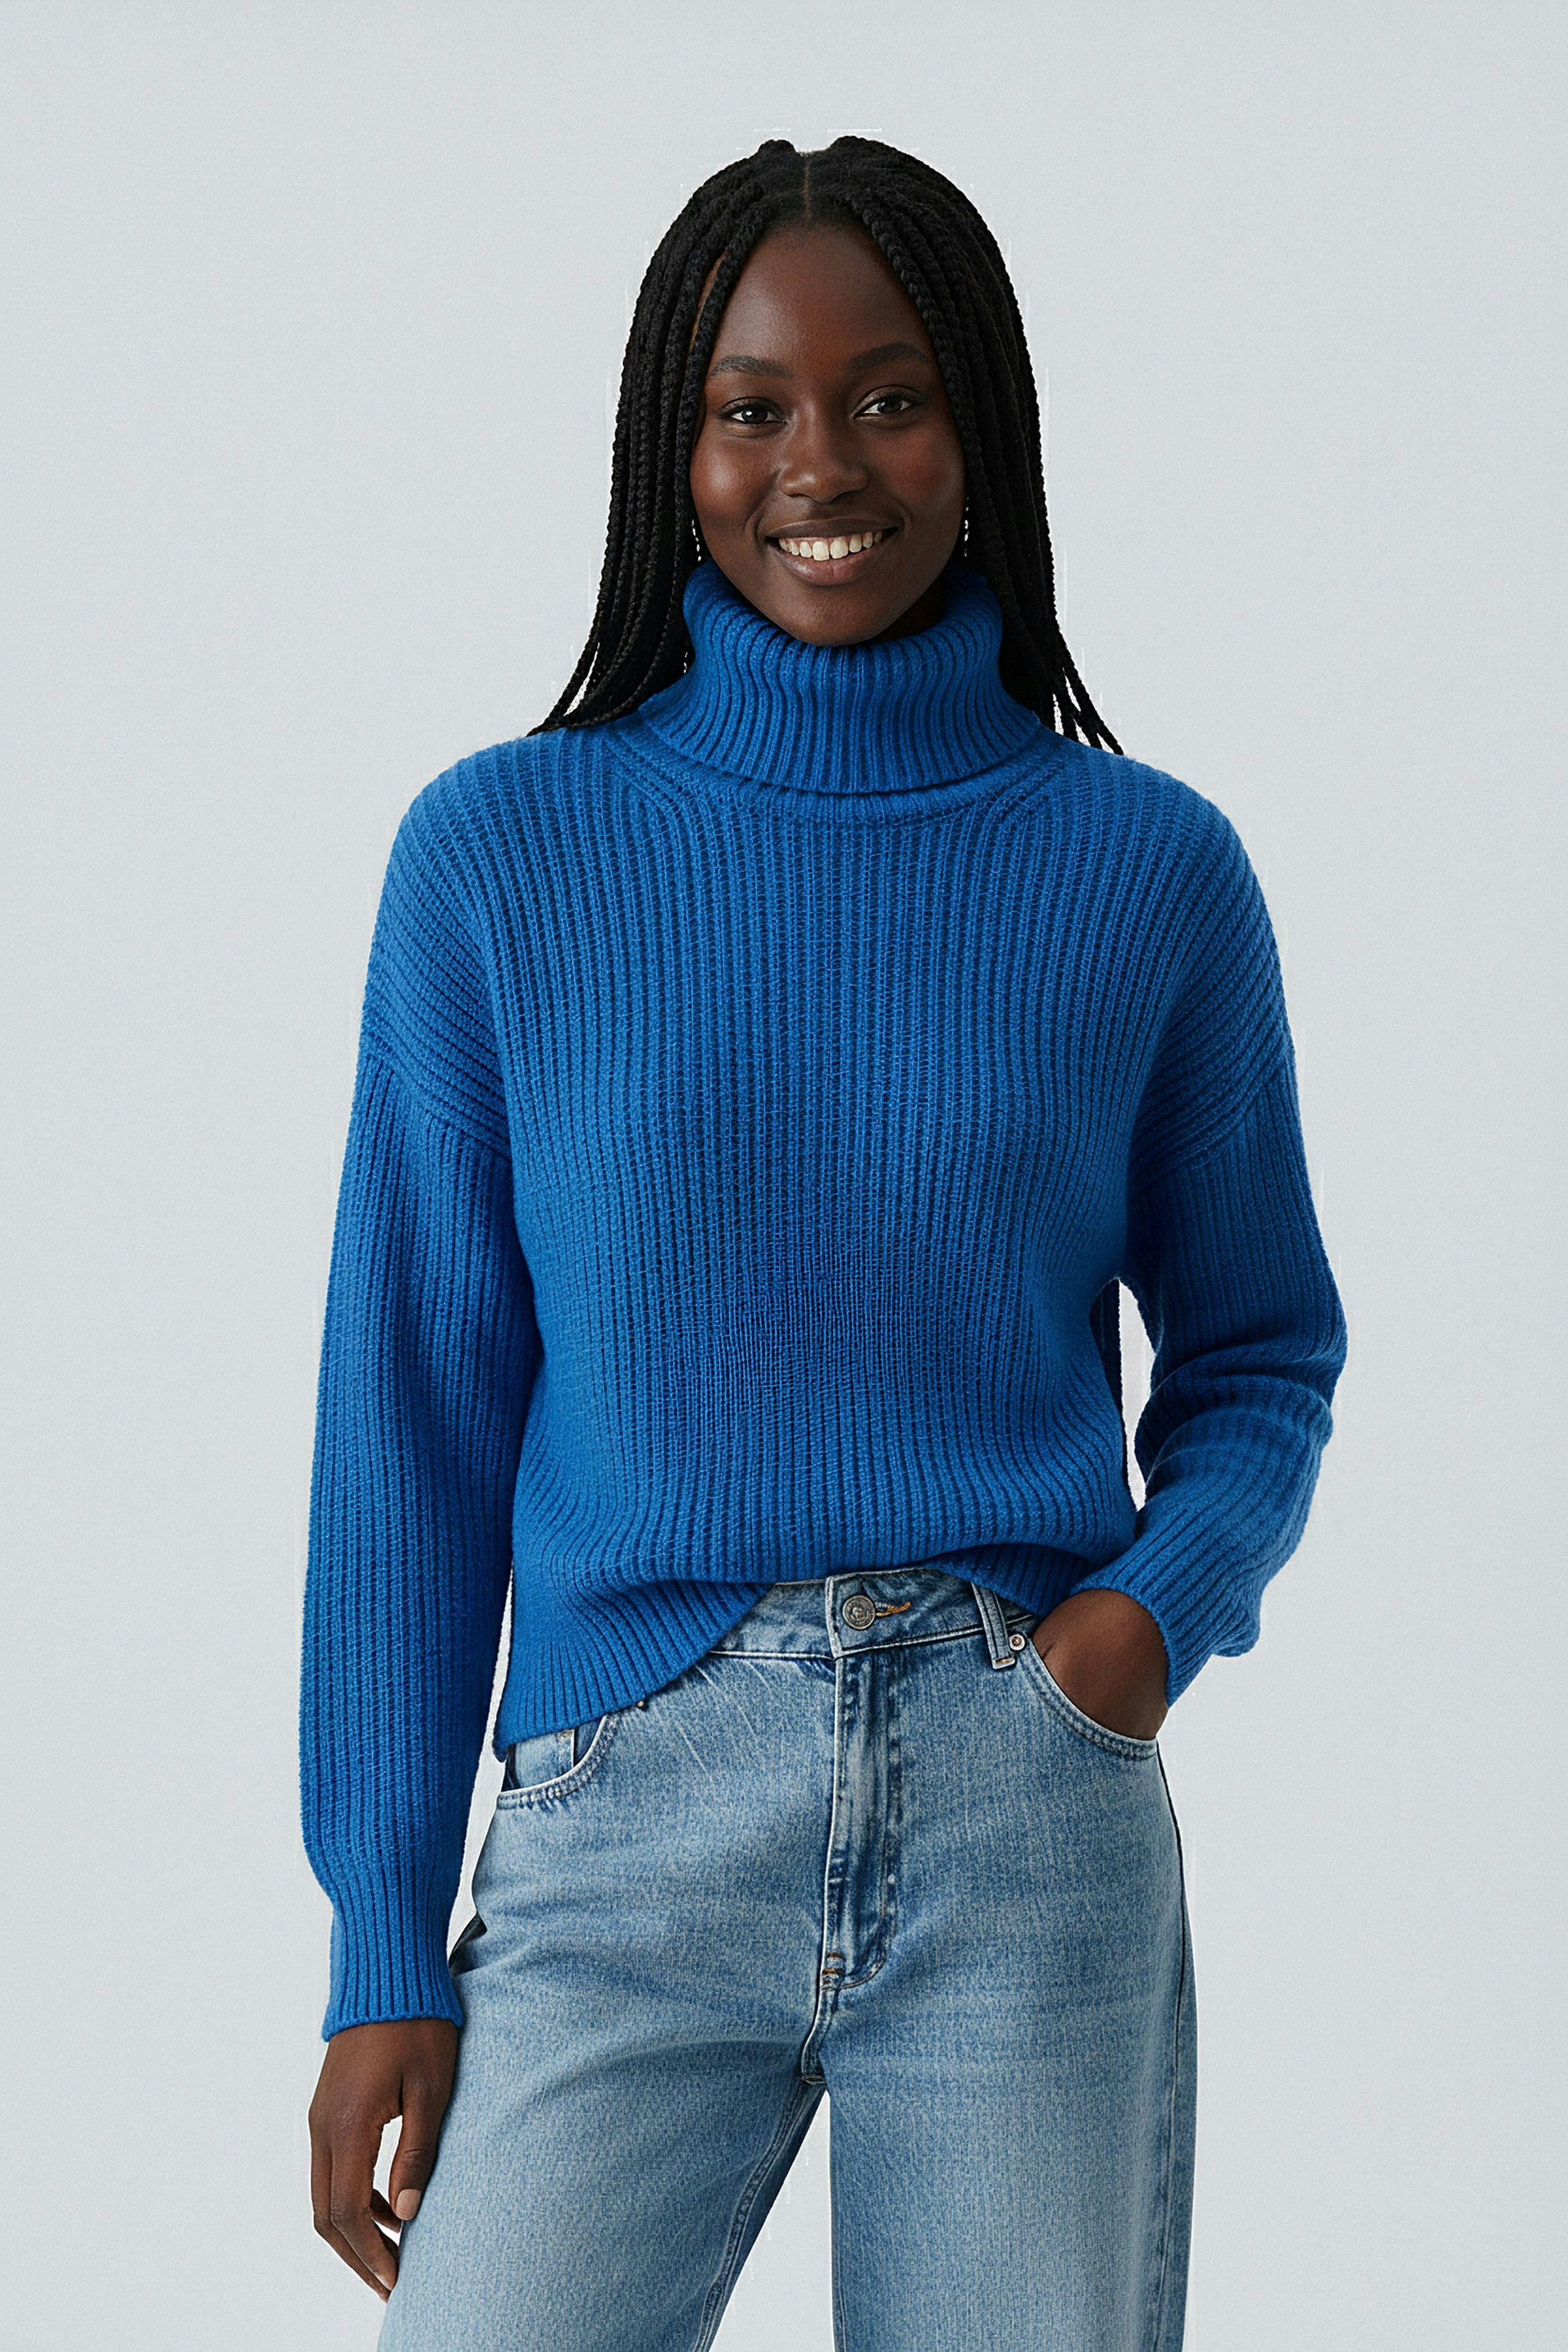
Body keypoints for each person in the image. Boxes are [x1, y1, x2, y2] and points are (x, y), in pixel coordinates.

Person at [301, 136, 1347, 2350]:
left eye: (890, 396)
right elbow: (412, 1415)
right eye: (751, 407)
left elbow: (1261, 1352)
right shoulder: (503, 857)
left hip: (1020, 1801)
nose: (822, 467)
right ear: (670, 448)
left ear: (982, 423)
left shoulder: (1145, 869)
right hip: (619, 1814)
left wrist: (1137, 1635)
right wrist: (381, 1944)